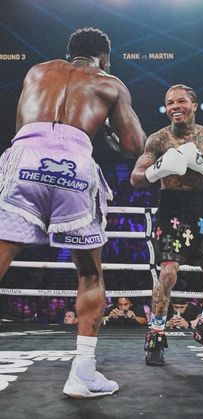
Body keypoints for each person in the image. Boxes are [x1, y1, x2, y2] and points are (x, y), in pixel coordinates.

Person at [0, 27, 146, 396]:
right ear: (105, 58)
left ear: (69, 52)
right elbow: (135, 146)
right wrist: (112, 129)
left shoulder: (37, 71)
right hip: (75, 163)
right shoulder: (109, 82)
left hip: (24, 156)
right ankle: (82, 375)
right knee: (89, 273)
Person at [130, 84, 203, 366]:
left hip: (200, 209)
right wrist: (161, 166)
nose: (175, 106)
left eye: (180, 101)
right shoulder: (158, 140)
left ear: (193, 105)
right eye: (170, 102)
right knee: (168, 274)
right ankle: (156, 335)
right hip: (170, 209)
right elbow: (136, 177)